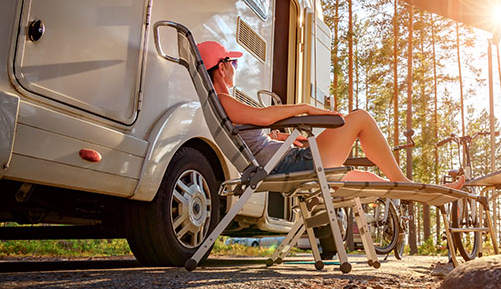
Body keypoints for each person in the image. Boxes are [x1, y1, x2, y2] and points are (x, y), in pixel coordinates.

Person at [197, 41, 465, 189]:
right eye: (232, 63)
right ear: (221, 68)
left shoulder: (224, 103)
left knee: (372, 181)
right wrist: (305, 108)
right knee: (360, 117)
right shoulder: (224, 101)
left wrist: (279, 138)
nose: (234, 67)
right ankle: (403, 181)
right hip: (290, 164)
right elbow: (264, 116)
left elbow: (256, 134)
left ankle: (413, 189)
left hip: (287, 159)